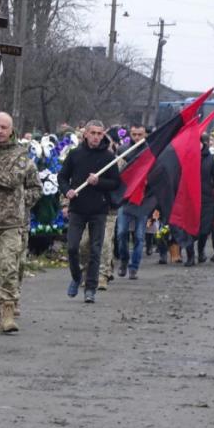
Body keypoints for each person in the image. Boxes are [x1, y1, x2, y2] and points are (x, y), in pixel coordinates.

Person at [0, 112, 42, 334]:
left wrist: (23, 202)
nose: (0, 131)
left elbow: (23, 183)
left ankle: (8, 313)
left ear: (11, 129)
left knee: (8, 267)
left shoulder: (21, 155)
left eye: (4, 127)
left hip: (11, 222)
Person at [58, 120, 120, 303]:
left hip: (99, 209)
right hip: (77, 207)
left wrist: (98, 182)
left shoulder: (109, 157)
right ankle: (77, 277)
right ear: (85, 134)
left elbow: (115, 182)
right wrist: (66, 190)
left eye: (99, 134)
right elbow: (62, 176)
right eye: (92, 133)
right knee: (72, 247)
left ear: (103, 135)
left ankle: (91, 288)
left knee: (95, 249)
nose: (96, 137)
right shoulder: (75, 154)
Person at [185, 134, 214, 266]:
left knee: (204, 229)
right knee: (189, 228)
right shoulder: (186, 157)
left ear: (201, 144)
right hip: (189, 198)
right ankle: (190, 256)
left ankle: (201, 251)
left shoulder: (209, 159)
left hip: (206, 198)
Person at [116, 124, 149, 280]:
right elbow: (116, 172)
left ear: (145, 135)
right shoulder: (123, 150)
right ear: (130, 134)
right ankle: (123, 260)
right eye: (134, 134)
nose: (137, 138)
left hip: (142, 198)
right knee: (121, 233)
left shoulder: (150, 150)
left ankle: (134, 266)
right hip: (125, 197)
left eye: (140, 135)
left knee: (139, 236)